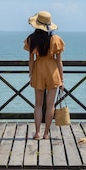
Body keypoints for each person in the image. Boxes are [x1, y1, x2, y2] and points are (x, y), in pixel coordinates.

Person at [23, 11, 65, 140]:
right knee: (50, 105)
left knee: (38, 104)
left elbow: (31, 60)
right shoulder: (56, 39)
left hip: (38, 70)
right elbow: (59, 61)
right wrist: (62, 79)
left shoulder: (31, 39)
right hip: (52, 70)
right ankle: (46, 133)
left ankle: (37, 133)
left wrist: (31, 75)